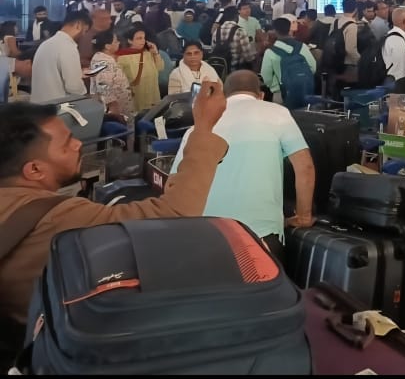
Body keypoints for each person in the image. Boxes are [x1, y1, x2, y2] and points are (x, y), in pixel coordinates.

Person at [0, 83, 229, 333]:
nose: (78, 144)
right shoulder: (57, 216)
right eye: (66, 144)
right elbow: (175, 215)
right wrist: (204, 128)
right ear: (34, 170)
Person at [170, 71, 315, 259]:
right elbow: (305, 167)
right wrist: (303, 215)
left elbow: (173, 184)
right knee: (261, 287)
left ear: (224, 96)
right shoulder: (277, 113)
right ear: (261, 96)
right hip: (260, 235)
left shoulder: (198, 128)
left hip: (204, 234)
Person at [29, 11, 90, 103]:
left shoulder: (46, 43)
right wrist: (86, 96)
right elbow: (74, 87)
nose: (84, 35)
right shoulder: (68, 47)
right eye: (85, 31)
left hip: (38, 105)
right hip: (56, 109)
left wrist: (78, 73)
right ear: (78, 25)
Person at [116, 26, 165, 115]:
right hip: (136, 97)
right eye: (139, 38)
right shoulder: (122, 57)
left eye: (144, 38)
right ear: (130, 40)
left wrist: (156, 53)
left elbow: (160, 68)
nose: (143, 41)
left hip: (153, 94)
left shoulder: (148, 53)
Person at [89, 30, 135, 120]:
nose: (118, 43)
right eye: (116, 41)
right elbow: (103, 85)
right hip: (115, 109)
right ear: (107, 46)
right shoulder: (103, 61)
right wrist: (112, 105)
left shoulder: (103, 58)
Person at [382, 8, 405, 82]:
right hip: (398, 83)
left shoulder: (394, 36)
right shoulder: (397, 39)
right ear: (404, 21)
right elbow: (398, 68)